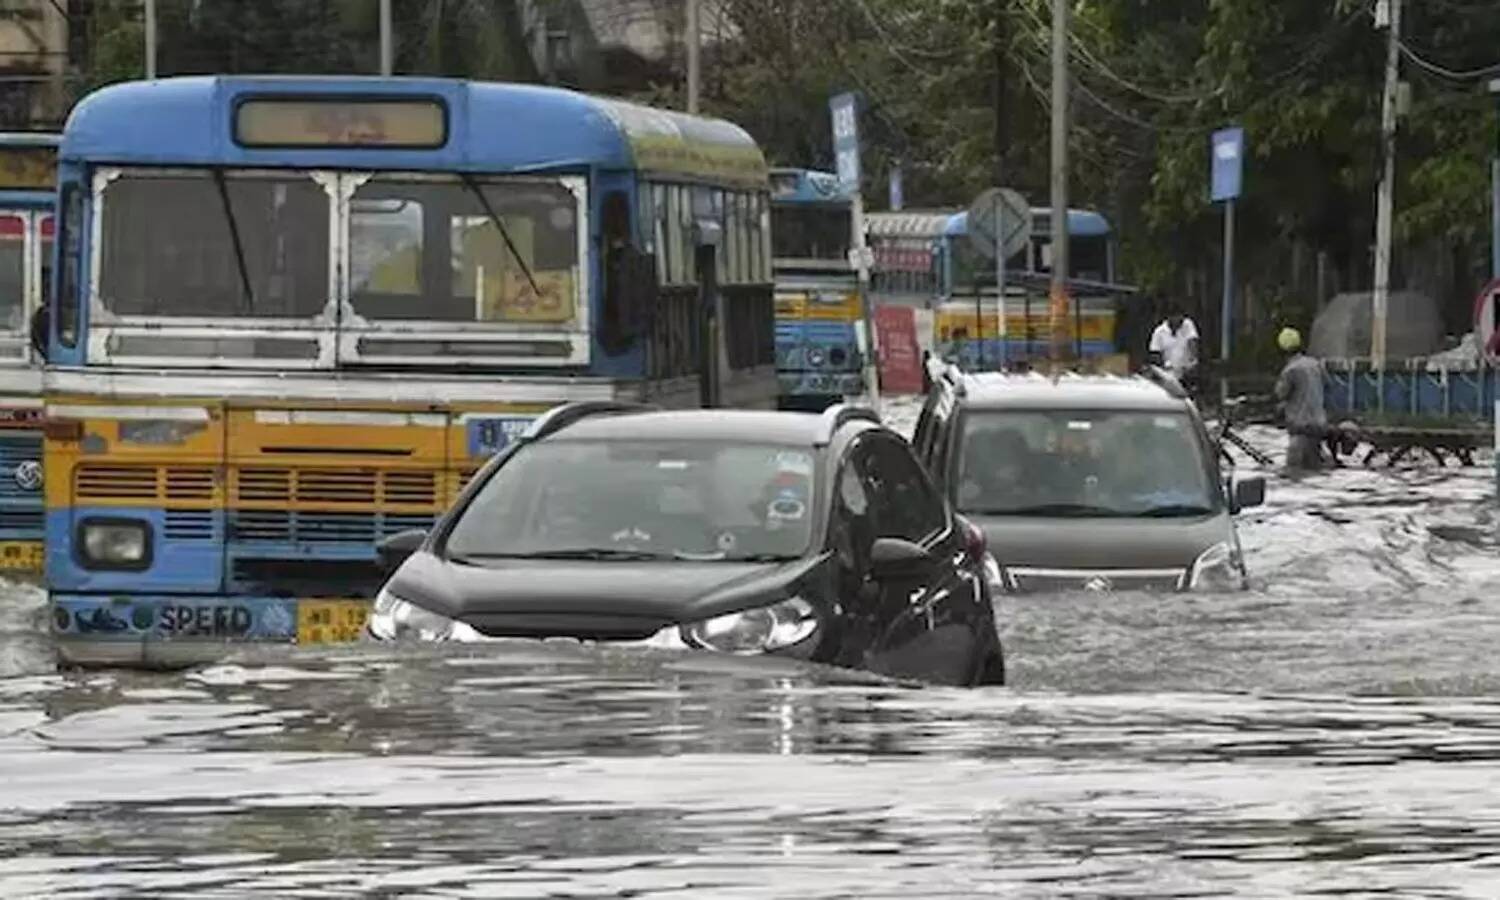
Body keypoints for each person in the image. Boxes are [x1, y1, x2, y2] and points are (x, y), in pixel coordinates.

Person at [1273, 326, 1327, 472]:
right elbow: (1326, 387)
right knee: (1315, 471)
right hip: (1319, 428)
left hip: (1300, 431)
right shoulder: (1315, 364)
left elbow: (1280, 394)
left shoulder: (1290, 370)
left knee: (1294, 473)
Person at [1148, 304, 1200, 394]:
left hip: (1186, 372)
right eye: (1176, 317)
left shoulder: (1187, 325)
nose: (1179, 320)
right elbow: (1155, 353)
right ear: (1169, 317)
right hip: (1169, 375)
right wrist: (1163, 367)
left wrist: (1193, 360)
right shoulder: (1159, 332)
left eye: (1181, 317)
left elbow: (1192, 342)